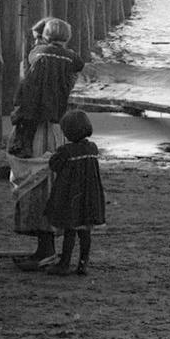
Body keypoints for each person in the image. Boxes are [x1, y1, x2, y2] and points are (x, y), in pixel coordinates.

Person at [8, 17, 86, 270]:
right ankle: (47, 248)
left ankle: (45, 250)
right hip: (57, 127)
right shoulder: (70, 63)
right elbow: (76, 62)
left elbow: (28, 77)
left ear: (43, 37)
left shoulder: (37, 56)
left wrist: (37, 37)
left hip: (36, 127)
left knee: (37, 185)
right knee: (52, 184)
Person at [41, 110, 107, 277]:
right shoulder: (92, 148)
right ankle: (83, 264)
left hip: (71, 197)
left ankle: (64, 264)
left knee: (70, 231)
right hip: (89, 197)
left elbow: (54, 165)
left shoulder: (66, 151)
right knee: (85, 232)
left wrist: (51, 156)